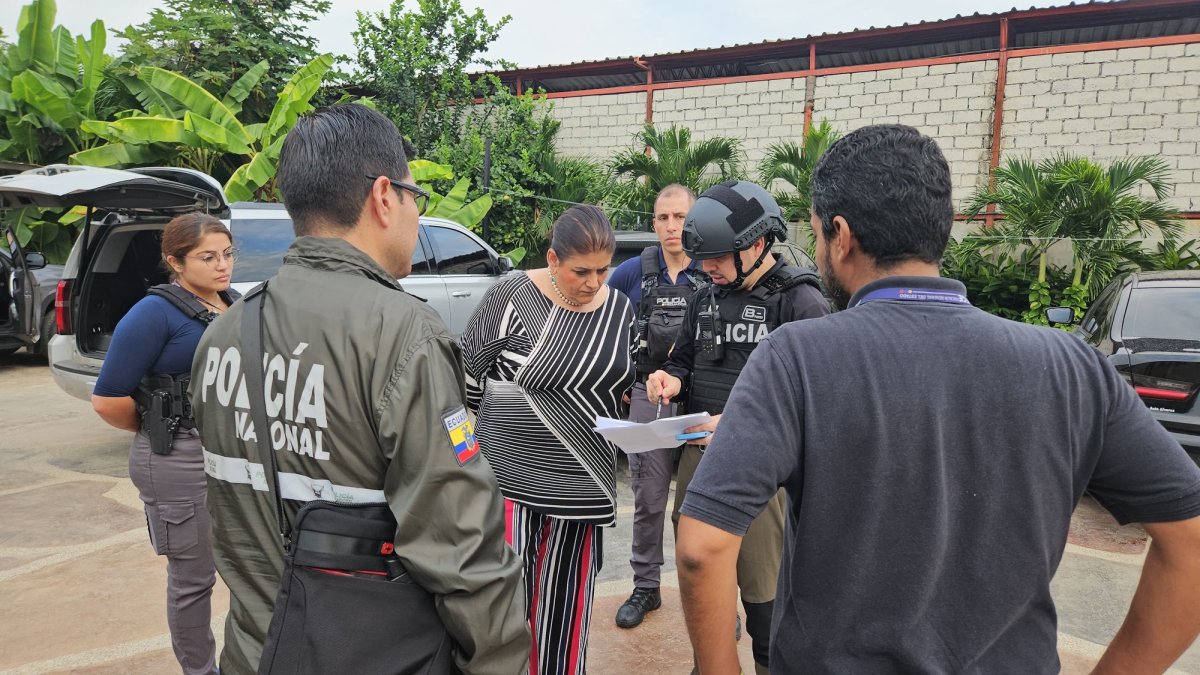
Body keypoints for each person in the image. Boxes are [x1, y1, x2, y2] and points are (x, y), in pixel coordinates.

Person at [675, 124, 1200, 674]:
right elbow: (1189, 540)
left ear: (841, 234)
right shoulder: (1072, 366)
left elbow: (700, 549)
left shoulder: (797, 359)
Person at [189, 103, 529, 675]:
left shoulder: (224, 332)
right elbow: (460, 546)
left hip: (255, 653)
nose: (416, 214)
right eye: (415, 196)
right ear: (383, 196)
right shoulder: (402, 335)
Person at [645, 180, 831, 675]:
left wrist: (746, 423)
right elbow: (684, 364)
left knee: (766, 600)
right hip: (699, 460)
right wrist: (667, 379)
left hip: (767, 477)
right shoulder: (704, 297)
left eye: (718, 258)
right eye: (702, 260)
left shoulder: (801, 303)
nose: (707, 269)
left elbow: (820, 403)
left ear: (754, 244)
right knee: (703, 583)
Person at [461, 205, 636, 675]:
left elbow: (622, 380)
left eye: (604, 270)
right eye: (581, 271)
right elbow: (464, 387)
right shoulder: (511, 298)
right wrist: (466, 465)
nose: (594, 282)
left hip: (582, 492)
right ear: (553, 258)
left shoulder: (618, 310)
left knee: (567, 621)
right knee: (505, 618)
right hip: (510, 492)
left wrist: (649, 388)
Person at [91, 212, 240, 675]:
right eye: (207, 257)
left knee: (246, 567)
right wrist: (164, 422)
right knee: (193, 580)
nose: (222, 266)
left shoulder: (231, 303)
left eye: (228, 254)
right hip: (177, 456)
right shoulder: (153, 313)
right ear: (175, 262)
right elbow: (108, 399)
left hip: (231, 454)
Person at [605, 183, 706, 629]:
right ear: (653, 223)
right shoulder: (631, 272)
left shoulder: (713, 269)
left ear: (694, 220)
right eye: (663, 218)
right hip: (648, 397)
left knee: (702, 502)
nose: (672, 227)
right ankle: (646, 586)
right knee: (648, 497)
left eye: (680, 217)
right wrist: (622, 381)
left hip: (701, 400)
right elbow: (601, 321)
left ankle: (708, 594)